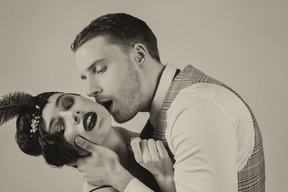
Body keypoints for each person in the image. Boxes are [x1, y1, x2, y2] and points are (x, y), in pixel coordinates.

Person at [70, 13, 265, 192]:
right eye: (85, 78)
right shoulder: (166, 113)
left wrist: (116, 177)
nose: (90, 90)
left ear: (139, 55)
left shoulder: (194, 110)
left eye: (100, 69)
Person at [0, 91, 175, 192]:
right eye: (61, 128)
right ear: (65, 153)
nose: (73, 114)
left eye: (68, 103)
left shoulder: (151, 129)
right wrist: (166, 178)